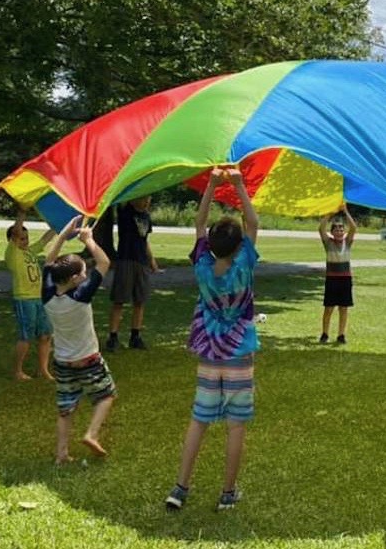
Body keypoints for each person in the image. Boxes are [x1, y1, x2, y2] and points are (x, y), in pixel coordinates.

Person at [165, 167, 260, 513]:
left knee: (199, 420)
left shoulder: (202, 266)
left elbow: (199, 224)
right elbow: (253, 223)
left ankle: (179, 487)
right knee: (236, 426)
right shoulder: (244, 266)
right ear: (240, 247)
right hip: (239, 356)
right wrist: (237, 184)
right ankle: (227, 492)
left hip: (209, 355)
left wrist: (211, 186)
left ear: (211, 245)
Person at [43, 216, 115, 463]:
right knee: (106, 395)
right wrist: (89, 241)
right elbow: (104, 262)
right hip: (88, 359)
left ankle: (61, 454)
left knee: (65, 409)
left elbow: (49, 262)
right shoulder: (81, 295)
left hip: (62, 362)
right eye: (83, 272)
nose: (86, 274)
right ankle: (92, 434)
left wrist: (63, 236)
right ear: (74, 278)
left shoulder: (48, 293)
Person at [4, 210, 56, 380]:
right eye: (21, 238)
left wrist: (59, 224)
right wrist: (22, 211)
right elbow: (17, 230)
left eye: (26, 238)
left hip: (39, 298)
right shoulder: (13, 253)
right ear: (13, 239)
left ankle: (43, 369)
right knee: (26, 336)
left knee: (45, 334)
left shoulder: (30, 252)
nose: (24, 241)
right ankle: (17, 371)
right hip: (24, 299)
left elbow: (46, 239)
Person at [106, 195, 160, 352]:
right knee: (119, 300)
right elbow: (122, 195)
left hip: (141, 262)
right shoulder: (125, 212)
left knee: (140, 301)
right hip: (126, 260)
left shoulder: (146, 216)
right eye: (144, 198)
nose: (147, 202)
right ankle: (113, 337)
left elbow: (145, 240)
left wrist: (152, 261)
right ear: (134, 198)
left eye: (149, 199)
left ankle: (135, 336)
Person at [318, 204, 357, 344]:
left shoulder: (347, 242)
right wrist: (330, 213)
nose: (340, 231)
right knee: (329, 308)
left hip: (345, 279)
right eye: (337, 229)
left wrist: (345, 211)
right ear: (332, 232)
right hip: (332, 279)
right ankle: (324, 333)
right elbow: (321, 228)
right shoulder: (328, 243)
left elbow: (353, 228)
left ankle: (341, 335)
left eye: (342, 229)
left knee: (343, 308)